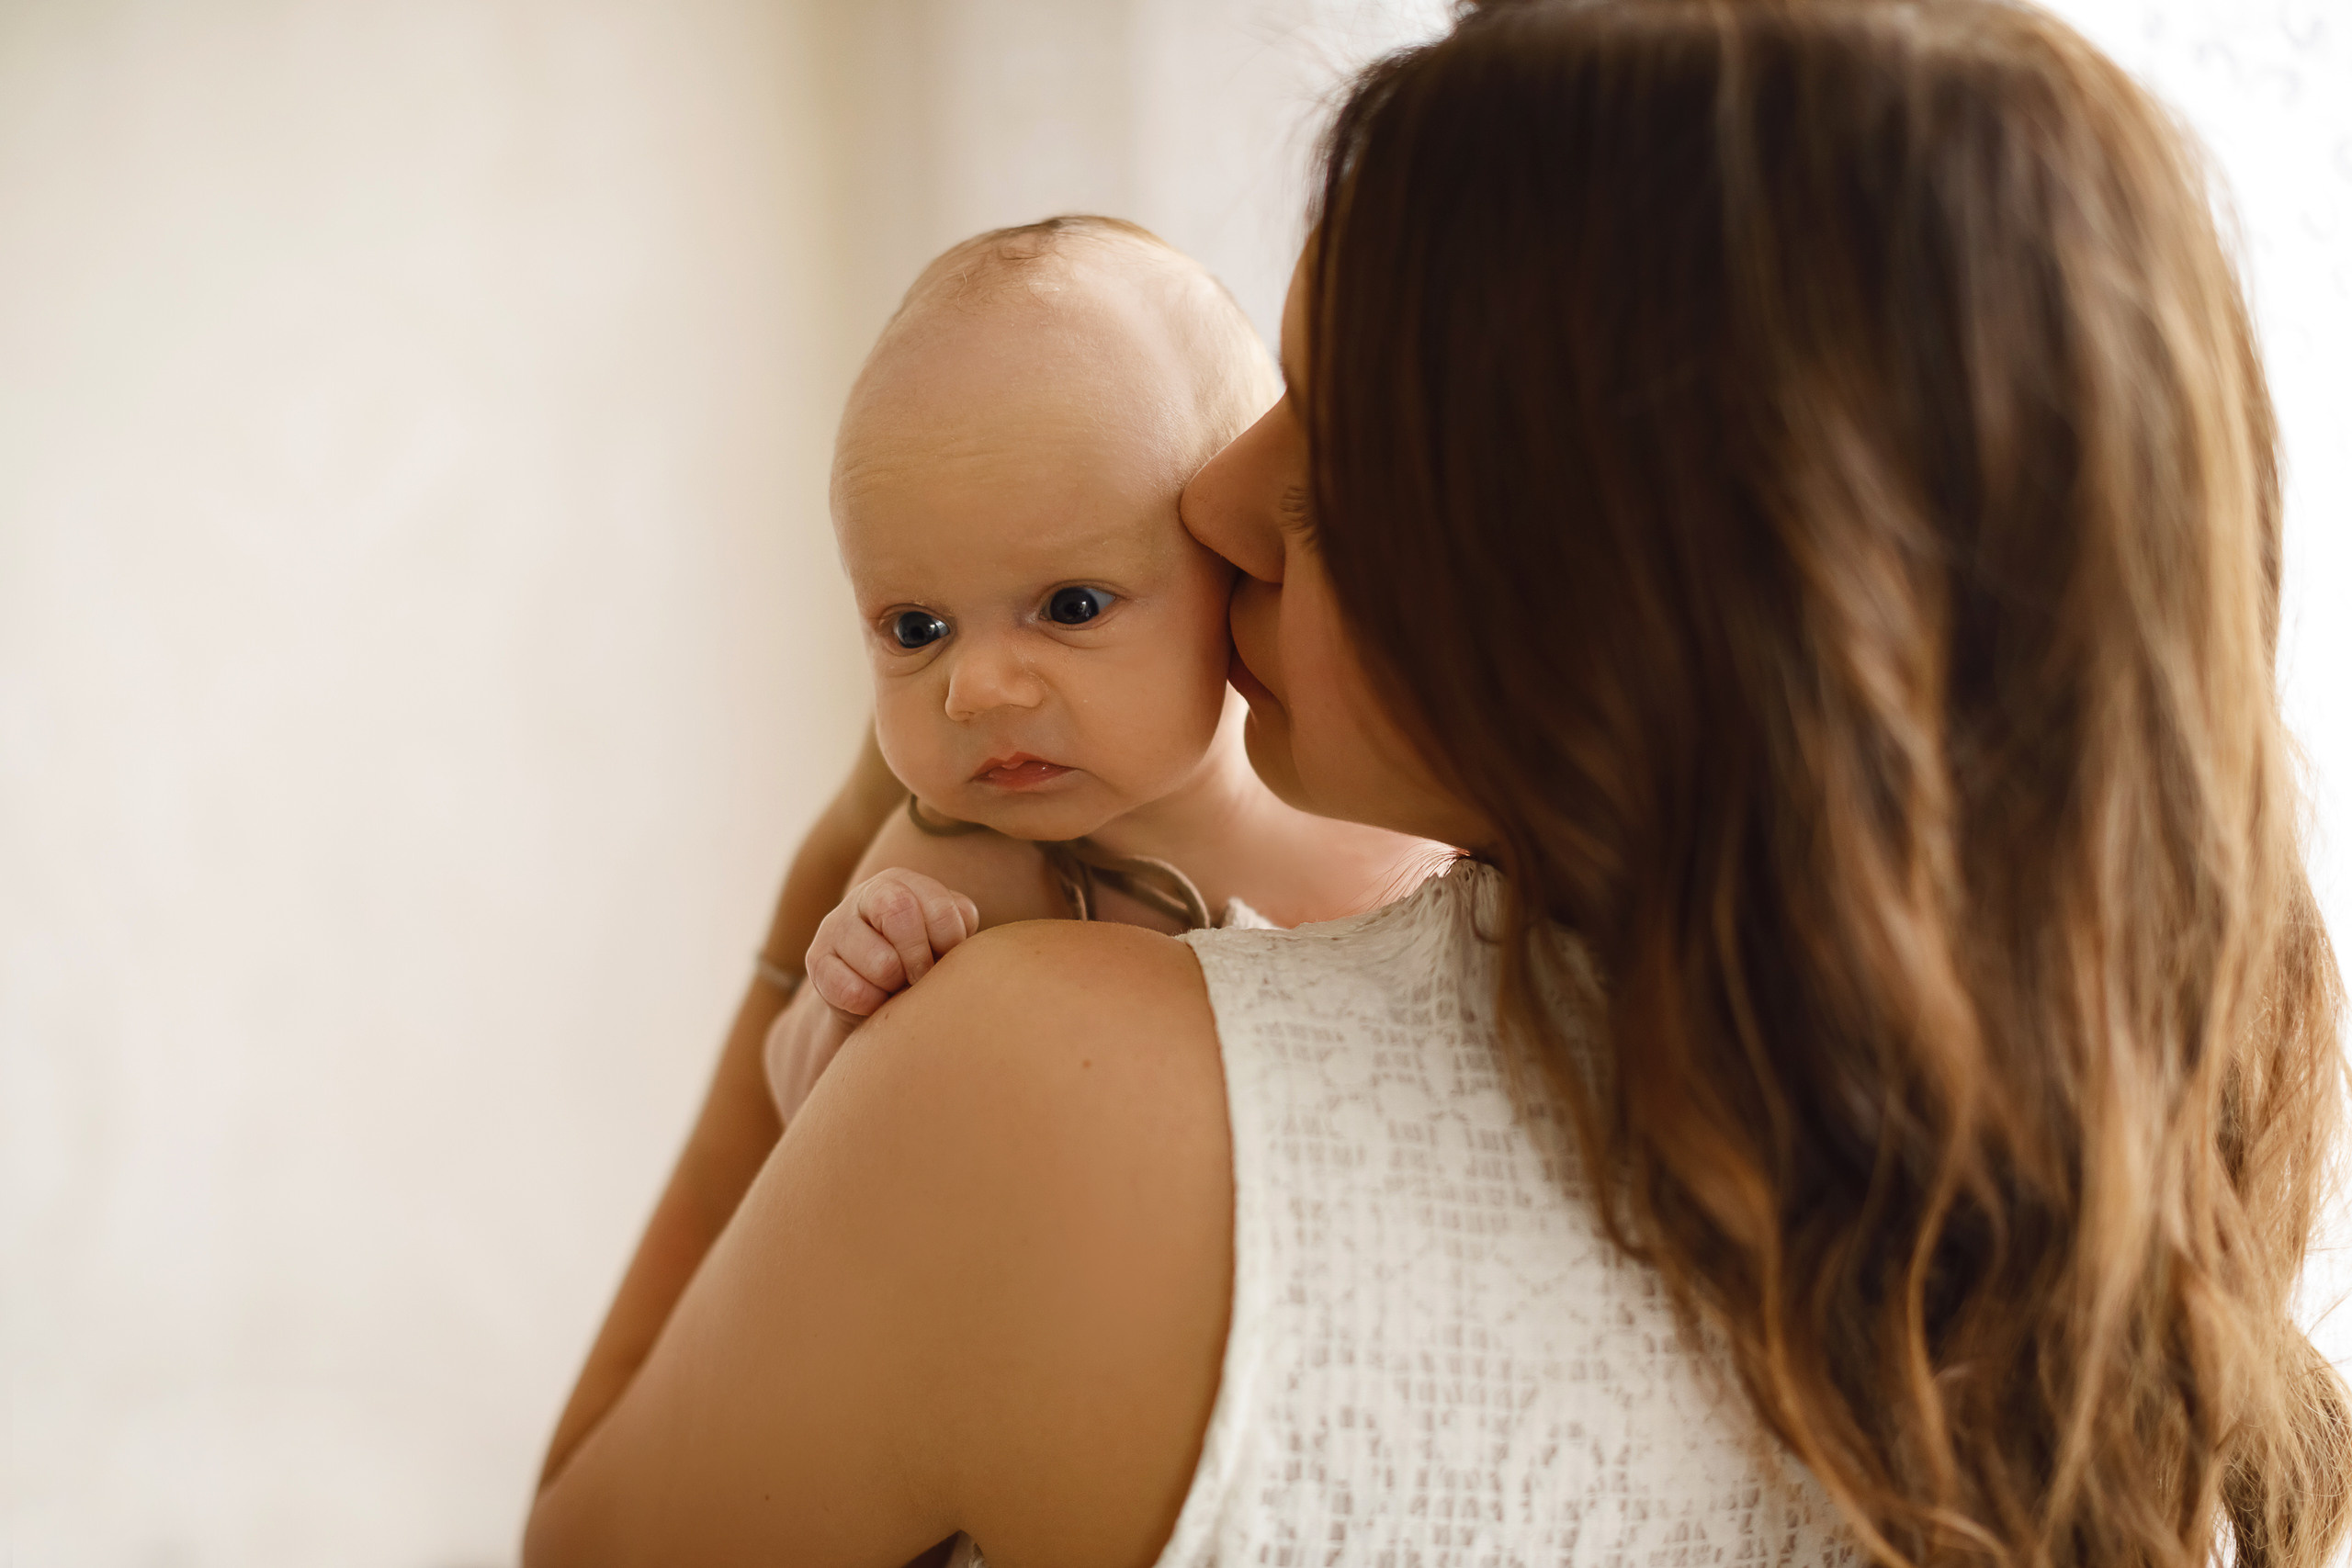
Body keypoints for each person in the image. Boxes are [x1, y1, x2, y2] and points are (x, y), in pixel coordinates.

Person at [525, 4, 2352, 1566]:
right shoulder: (2098, 1225)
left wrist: (840, 860)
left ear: (1612, 609)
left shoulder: (1028, 1095)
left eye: (1326, 476)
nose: (1215, 506)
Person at [759, 214, 1444, 1126]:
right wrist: (848, 992)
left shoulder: (1379, 799)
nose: (978, 691)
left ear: (1231, 569)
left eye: (1071, 607)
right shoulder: (958, 869)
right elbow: (797, 1098)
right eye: (916, 628)